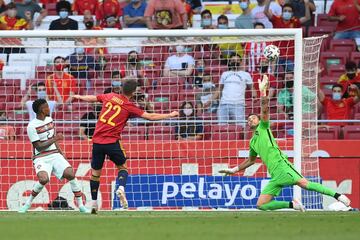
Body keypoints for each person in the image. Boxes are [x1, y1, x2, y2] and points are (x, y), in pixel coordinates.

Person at [219, 75, 351, 211]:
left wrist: (263, 93)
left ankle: (338, 196)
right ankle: (293, 205)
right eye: (248, 120)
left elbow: (264, 109)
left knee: (305, 183)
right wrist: (234, 170)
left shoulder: (263, 128)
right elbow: (250, 161)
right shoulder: (252, 142)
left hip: (283, 166)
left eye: (253, 118)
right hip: (275, 175)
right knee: (261, 205)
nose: (250, 120)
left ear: (259, 121)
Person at [73, 79, 179, 213]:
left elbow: (93, 98)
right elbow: (150, 116)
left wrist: (80, 96)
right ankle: (121, 188)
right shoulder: (129, 106)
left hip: (97, 142)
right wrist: (170, 114)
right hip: (112, 142)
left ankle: (93, 204)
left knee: (95, 174)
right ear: (134, 92)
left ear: (121, 88)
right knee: (123, 168)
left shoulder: (110, 96)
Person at [19, 99, 89, 213]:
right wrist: (55, 139)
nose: (49, 108)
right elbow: (39, 147)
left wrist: (61, 152)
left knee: (70, 174)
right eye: (47, 107)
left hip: (55, 154)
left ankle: (81, 205)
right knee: (43, 179)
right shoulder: (31, 126)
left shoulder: (50, 119)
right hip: (41, 156)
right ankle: (27, 203)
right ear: (42, 110)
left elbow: (52, 136)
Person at [264, 0, 311, 73]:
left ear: (292, 14)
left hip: (290, 56)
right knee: (273, 76)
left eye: (289, 11)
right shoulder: (276, 20)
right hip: (276, 55)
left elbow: (307, 17)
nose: (287, 12)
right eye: (285, 11)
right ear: (282, 13)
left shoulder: (295, 22)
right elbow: (265, 12)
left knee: (290, 78)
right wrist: (268, 1)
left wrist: (307, 5)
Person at [217, 53, 255, 125]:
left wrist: (254, 96)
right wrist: (210, 101)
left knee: (241, 126)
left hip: (238, 104)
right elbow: (219, 89)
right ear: (230, 62)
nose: (235, 62)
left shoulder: (246, 74)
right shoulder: (224, 74)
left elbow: (252, 88)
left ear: (240, 62)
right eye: (233, 60)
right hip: (224, 104)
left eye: (237, 60)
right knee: (221, 128)